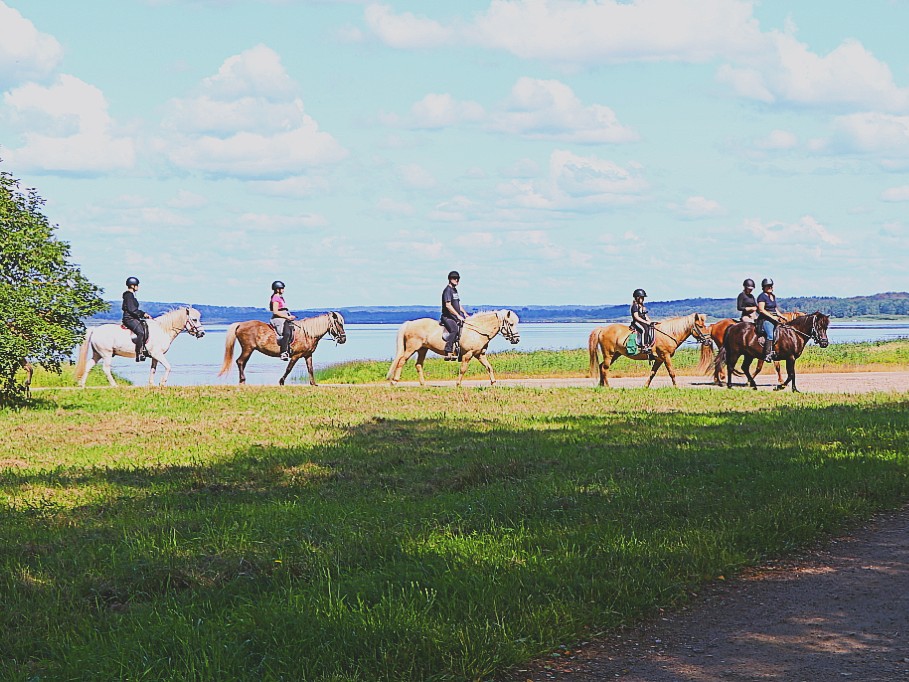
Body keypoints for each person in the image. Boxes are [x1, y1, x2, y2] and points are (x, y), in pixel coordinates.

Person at [122, 276, 152, 362]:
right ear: (132, 286)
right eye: (137, 285)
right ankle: (138, 353)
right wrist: (143, 314)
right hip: (129, 318)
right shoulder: (129, 295)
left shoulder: (130, 295)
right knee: (141, 332)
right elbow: (132, 310)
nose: (138, 287)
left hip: (132, 317)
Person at [756, 277, 784, 361]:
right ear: (764, 287)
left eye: (771, 286)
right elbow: (761, 310)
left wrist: (782, 316)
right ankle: (767, 354)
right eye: (768, 286)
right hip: (765, 319)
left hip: (774, 318)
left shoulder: (772, 296)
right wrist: (772, 317)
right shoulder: (762, 297)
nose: (770, 287)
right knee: (770, 335)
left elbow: (775, 309)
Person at [441, 270, 467, 360]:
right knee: (454, 329)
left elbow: (458, 304)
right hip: (447, 317)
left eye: (458, 278)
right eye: (454, 278)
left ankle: (459, 350)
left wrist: (464, 313)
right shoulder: (447, 290)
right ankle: (448, 350)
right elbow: (448, 305)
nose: (457, 280)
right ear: (449, 279)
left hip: (455, 316)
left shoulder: (454, 290)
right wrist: (458, 315)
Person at [269, 280, 296, 361]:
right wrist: (287, 317)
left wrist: (289, 316)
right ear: (277, 289)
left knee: (292, 330)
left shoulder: (281, 298)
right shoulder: (275, 298)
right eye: (282, 288)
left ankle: (289, 348)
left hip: (284, 316)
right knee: (286, 333)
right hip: (279, 318)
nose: (283, 290)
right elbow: (275, 311)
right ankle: (283, 352)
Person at [630, 288, 655, 356]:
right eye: (642, 297)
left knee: (651, 328)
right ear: (637, 297)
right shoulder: (634, 306)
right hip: (637, 322)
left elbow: (645, 315)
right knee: (644, 329)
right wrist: (645, 322)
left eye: (643, 298)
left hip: (643, 321)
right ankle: (644, 346)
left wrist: (650, 321)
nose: (643, 299)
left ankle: (650, 343)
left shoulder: (642, 306)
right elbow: (636, 317)